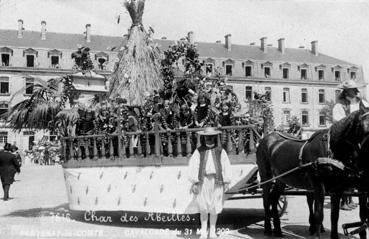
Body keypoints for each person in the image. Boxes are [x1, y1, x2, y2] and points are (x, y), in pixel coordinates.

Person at [188, 127, 232, 239]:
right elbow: (194, 166)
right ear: (204, 138)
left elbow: (226, 165)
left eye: (211, 137)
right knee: (203, 207)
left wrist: (226, 181)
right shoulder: (199, 151)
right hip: (203, 181)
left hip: (217, 181)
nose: (209, 139)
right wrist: (194, 182)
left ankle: (212, 230)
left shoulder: (220, 151)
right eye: (207, 137)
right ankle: (203, 231)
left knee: (214, 207)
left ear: (215, 137)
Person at [332, 79, 369, 210]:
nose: (356, 91)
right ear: (347, 91)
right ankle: (343, 199)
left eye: (356, 89)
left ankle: (353, 195)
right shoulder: (340, 105)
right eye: (353, 89)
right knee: (345, 163)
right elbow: (338, 122)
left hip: (360, 135)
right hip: (347, 137)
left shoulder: (361, 102)